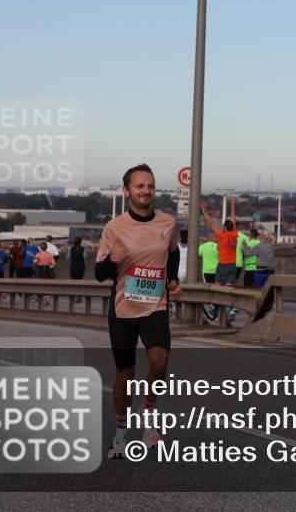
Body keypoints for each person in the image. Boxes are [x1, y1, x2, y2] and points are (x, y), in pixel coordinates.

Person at [95, 163, 181, 459]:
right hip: (123, 308)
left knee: (160, 362)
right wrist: (112, 261)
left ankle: (148, 416)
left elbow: (173, 252)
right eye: (140, 186)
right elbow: (99, 273)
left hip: (155, 306)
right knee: (125, 374)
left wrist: (173, 279)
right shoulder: (114, 227)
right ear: (127, 191)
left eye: (150, 186)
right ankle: (120, 434)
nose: (146, 191)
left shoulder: (167, 222)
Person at [201, 202, 239, 285]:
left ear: (225, 227)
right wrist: (233, 206)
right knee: (229, 287)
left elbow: (211, 223)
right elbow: (233, 220)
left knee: (218, 285)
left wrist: (204, 211)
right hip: (232, 265)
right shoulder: (235, 235)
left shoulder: (222, 236)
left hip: (222, 265)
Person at [244, 230, 277, 319]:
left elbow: (247, 254)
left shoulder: (259, 246)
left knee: (258, 292)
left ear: (262, 238)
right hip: (271, 272)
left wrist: (245, 246)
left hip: (261, 272)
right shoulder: (271, 247)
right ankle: (269, 306)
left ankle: (258, 310)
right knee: (269, 291)